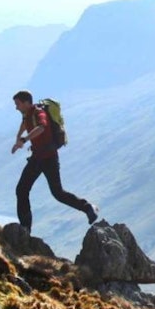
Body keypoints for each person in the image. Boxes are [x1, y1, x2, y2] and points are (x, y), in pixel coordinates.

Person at [10, 90, 98, 231]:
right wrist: (18, 139)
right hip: (37, 158)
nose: (16, 107)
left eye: (18, 104)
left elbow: (41, 127)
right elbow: (24, 124)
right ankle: (25, 227)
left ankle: (88, 207)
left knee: (58, 193)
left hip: (49, 158)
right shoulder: (27, 115)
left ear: (26, 102)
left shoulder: (39, 113)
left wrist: (24, 139)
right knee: (22, 189)